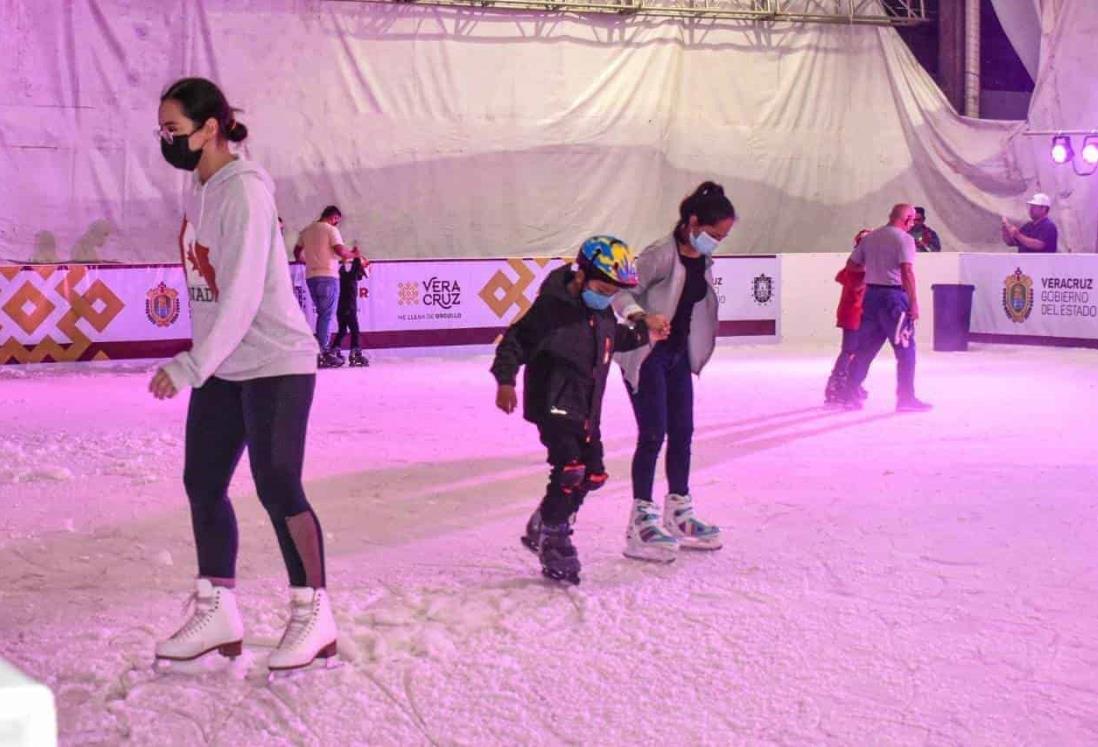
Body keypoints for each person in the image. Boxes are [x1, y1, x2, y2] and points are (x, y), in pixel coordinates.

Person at [149, 77, 337, 673]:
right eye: (161, 132)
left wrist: (191, 364)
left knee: (278, 483)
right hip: (225, 362)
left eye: (173, 131)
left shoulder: (245, 192)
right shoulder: (199, 191)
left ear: (210, 129)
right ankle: (218, 610)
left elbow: (244, 295)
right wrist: (206, 359)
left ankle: (314, 612)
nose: (166, 142)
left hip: (275, 361)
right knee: (202, 481)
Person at [490, 236, 668, 584]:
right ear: (582, 274)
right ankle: (554, 539)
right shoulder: (550, 310)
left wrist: (647, 334)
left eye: (611, 291)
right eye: (602, 286)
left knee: (593, 475)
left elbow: (614, 338)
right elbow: (515, 341)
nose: (606, 295)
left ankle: (546, 520)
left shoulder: (599, 313)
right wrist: (506, 381)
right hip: (554, 404)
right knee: (570, 470)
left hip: (587, 409)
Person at [612, 182, 736, 564]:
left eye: (723, 237)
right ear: (693, 221)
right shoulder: (659, 255)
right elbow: (620, 292)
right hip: (647, 356)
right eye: (714, 235)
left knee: (682, 433)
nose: (717, 242)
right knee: (653, 435)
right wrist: (643, 316)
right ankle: (641, 520)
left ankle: (678, 512)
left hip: (678, 356)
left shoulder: (702, 259)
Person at [840, 204, 932, 412]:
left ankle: (849, 392)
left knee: (866, 349)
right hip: (894, 299)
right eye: (913, 220)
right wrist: (914, 302)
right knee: (906, 349)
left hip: (871, 297)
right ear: (907, 219)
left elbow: (851, 264)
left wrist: (872, 271)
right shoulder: (905, 239)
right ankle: (906, 398)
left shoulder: (870, 238)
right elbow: (907, 271)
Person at [295, 206, 360, 367]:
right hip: (328, 277)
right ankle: (323, 353)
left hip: (311, 277)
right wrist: (354, 254)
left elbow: (297, 253)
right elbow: (340, 251)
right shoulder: (330, 230)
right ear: (334, 217)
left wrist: (307, 261)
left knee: (322, 314)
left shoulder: (307, 230)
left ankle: (321, 351)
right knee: (326, 315)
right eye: (338, 220)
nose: (338, 223)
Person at [824, 229, 871, 405]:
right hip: (852, 313)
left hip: (860, 314)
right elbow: (857, 287)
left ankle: (852, 382)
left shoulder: (862, 266)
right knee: (850, 350)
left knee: (858, 351)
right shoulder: (855, 267)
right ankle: (837, 383)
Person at [332, 250, 369, 367]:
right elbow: (355, 268)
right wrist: (357, 256)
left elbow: (343, 269)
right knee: (355, 331)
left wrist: (343, 262)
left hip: (340, 309)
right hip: (349, 308)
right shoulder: (352, 277)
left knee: (342, 330)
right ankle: (355, 352)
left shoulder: (342, 276)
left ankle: (334, 350)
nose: (361, 276)